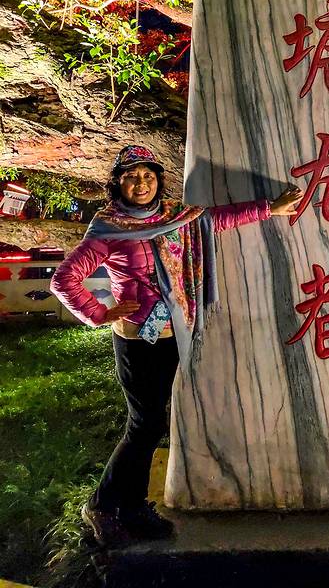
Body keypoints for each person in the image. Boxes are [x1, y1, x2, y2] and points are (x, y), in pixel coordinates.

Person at [50, 144, 302, 548]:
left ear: (158, 180)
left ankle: (133, 508)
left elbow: (215, 220)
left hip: (171, 332)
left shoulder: (173, 216)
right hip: (137, 339)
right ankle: (102, 505)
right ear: (117, 184)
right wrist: (99, 312)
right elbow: (64, 279)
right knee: (144, 423)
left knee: (151, 423)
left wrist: (269, 209)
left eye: (148, 176)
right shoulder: (109, 229)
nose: (141, 184)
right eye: (132, 177)